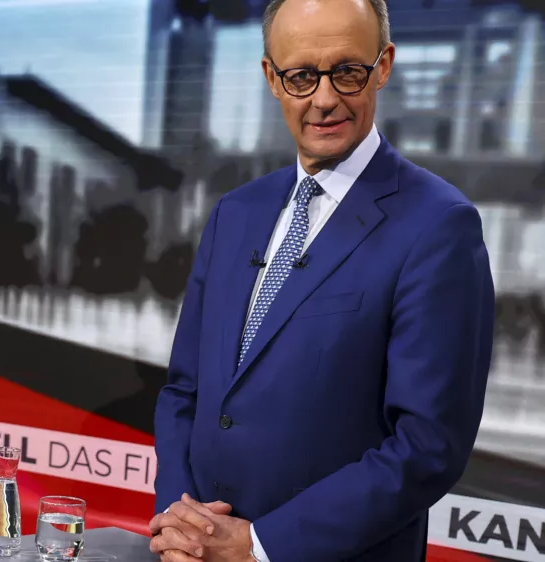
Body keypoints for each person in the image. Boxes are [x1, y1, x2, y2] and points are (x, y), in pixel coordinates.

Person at [149, 0, 495, 561]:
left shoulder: (439, 226)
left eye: (348, 72)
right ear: (271, 77)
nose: (325, 98)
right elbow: (184, 392)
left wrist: (260, 546)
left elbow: (428, 445)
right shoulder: (234, 213)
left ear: (383, 66)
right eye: (303, 76)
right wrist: (180, 520)